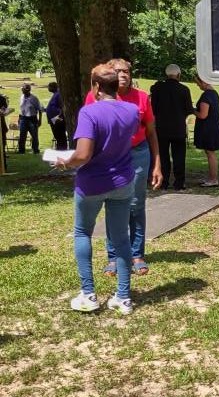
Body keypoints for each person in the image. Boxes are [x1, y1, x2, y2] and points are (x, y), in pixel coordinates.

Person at [55, 63, 140, 315]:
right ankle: (123, 297)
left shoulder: (89, 112)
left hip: (92, 182)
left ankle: (88, 294)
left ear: (96, 87)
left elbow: (83, 154)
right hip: (123, 182)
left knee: (83, 233)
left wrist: (65, 161)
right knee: (121, 238)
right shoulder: (132, 110)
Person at [84, 58, 162, 276]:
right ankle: (114, 257)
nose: (124, 75)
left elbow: (151, 132)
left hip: (137, 153)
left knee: (136, 204)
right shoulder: (94, 97)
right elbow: (89, 131)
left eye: (127, 71)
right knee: (113, 204)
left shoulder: (142, 97)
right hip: (109, 156)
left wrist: (157, 164)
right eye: (118, 71)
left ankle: (137, 254)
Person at [150, 64, 194, 190]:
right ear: (178, 75)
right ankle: (179, 182)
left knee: (163, 156)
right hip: (178, 128)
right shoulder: (184, 89)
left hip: (162, 128)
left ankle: (163, 182)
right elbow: (189, 109)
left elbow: (153, 108)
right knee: (179, 156)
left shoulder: (158, 89)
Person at [193, 74, 219, 187]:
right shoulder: (214, 93)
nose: (198, 85)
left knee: (210, 153)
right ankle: (211, 177)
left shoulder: (206, 95)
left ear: (203, 81)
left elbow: (203, 115)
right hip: (214, 127)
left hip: (208, 129)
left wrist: (192, 110)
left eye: (198, 83)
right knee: (210, 153)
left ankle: (213, 179)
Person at [18, 82, 42, 154]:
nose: (22, 90)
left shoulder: (34, 98)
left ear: (28, 90)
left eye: (23, 89)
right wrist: (19, 119)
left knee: (34, 135)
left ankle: (35, 150)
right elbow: (21, 108)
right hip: (23, 118)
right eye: (22, 89)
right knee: (22, 135)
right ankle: (21, 151)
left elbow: (40, 109)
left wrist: (40, 120)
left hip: (32, 119)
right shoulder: (22, 97)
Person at [45, 82, 68, 150]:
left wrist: (58, 117)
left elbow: (62, 107)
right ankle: (59, 148)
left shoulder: (58, 94)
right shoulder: (55, 94)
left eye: (49, 87)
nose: (48, 88)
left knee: (60, 134)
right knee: (57, 135)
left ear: (53, 87)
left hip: (57, 118)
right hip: (53, 119)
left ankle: (62, 149)